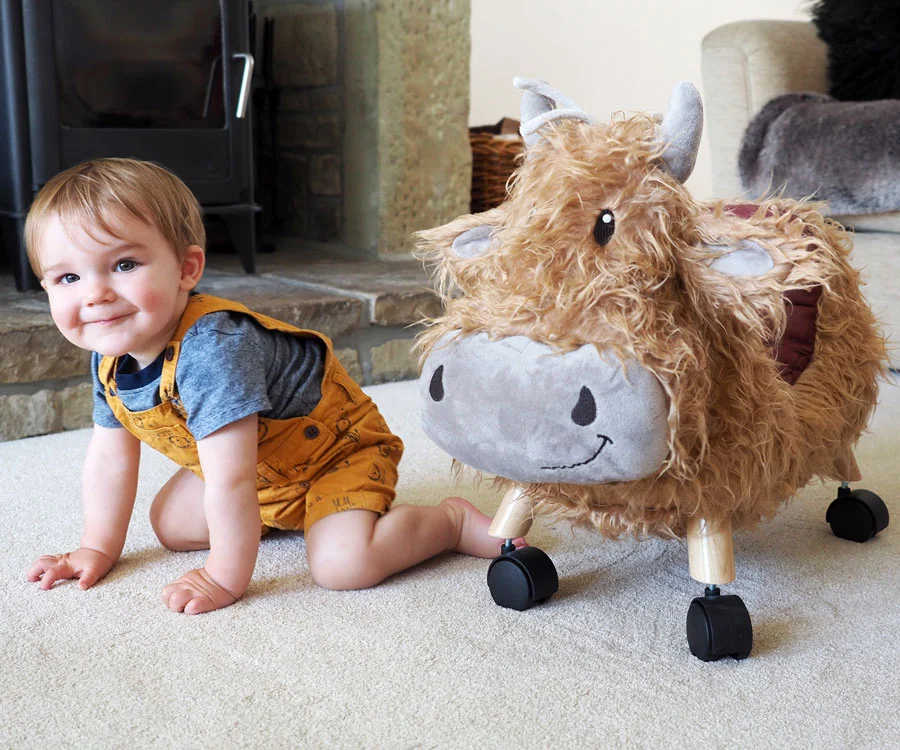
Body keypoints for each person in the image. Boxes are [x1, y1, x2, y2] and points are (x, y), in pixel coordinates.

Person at [24, 157, 521, 615]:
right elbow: (111, 458)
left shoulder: (214, 350)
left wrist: (224, 577)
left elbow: (232, 479)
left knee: (343, 565)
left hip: (334, 457)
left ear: (186, 268)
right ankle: (290, 515)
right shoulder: (110, 356)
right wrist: (96, 547)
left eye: (124, 265)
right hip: (262, 470)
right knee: (171, 526)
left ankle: (448, 524)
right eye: (67, 277)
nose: (96, 296)